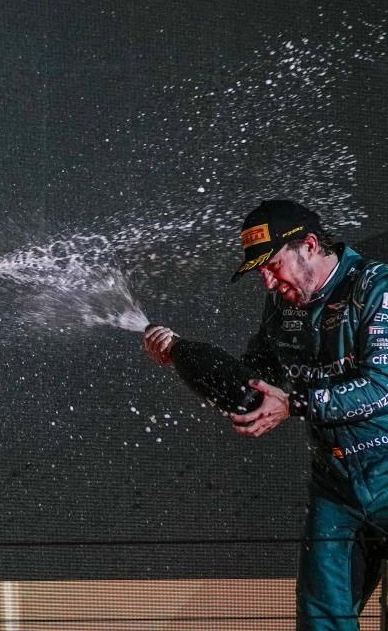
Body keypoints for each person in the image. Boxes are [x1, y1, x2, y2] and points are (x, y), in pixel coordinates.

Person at [144, 199, 388, 630]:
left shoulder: (376, 289)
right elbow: (251, 382)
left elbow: (382, 387)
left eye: (272, 266)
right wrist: (184, 355)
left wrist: (294, 404)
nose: (268, 282)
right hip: (336, 484)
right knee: (320, 620)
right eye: (260, 271)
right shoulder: (281, 306)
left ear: (309, 246)